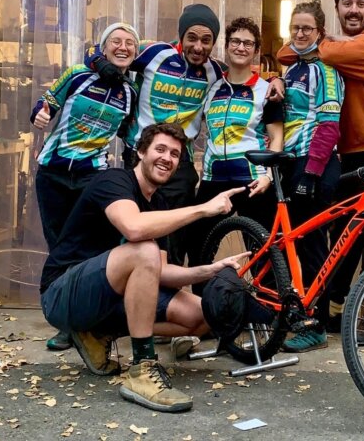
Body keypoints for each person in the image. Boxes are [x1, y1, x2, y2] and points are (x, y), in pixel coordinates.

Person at [39, 122, 249, 412]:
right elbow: (134, 229)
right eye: (160, 149)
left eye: (175, 154)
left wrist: (210, 270)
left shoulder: (157, 204)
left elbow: (159, 271)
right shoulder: (114, 181)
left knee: (201, 315)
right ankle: (142, 368)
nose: (167, 158)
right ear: (140, 151)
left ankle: (100, 333)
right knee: (144, 250)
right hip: (62, 295)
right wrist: (203, 209)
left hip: (111, 297)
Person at [274, 0, 364, 343]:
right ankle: (335, 307)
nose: (354, 9)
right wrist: (277, 76)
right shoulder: (332, 48)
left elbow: (301, 50)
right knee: (342, 235)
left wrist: (310, 40)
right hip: (344, 154)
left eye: (361, 3)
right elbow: (285, 53)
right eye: (347, 3)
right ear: (338, 7)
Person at [88, 4, 224, 267]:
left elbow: (244, 79)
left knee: (176, 233)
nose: (198, 47)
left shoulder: (215, 71)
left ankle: (167, 292)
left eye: (206, 41)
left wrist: (275, 81)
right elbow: (106, 52)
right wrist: (101, 65)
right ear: (181, 37)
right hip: (141, 154)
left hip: (178, 160)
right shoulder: (156, 53)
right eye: (192, 38)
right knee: (136, 229)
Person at [31, 22, 139, 352]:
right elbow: (45, 102)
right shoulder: (78, 74)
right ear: (103, 48)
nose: (123, 47)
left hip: (92, 177)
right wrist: (41, 113)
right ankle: (66, 323)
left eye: (130, 44)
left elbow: (130, 135)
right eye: (116, 42)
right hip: (53, 172)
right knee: (60, 247)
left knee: (87, 248)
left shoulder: (129, 93)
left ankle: (83, 319)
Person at [185, 17, 284, 283]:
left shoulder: (267, 91)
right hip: (213, 179)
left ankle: (267, 312)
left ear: (255, 51)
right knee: (199, 246)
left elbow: (276, 138)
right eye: (236, 42)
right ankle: (203, 308)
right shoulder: (212, 87)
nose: (241, 47)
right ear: (226, 47)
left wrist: (268, 176)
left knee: (264, 250)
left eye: (248, 43)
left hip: (253, 180)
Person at [277, 0, 344, 353]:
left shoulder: (326, 70)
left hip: (314, 164)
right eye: (295, 28)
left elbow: (329, 125)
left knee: (317, 248)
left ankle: (316, 325)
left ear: (320, 32)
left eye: (307, 28)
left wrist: (312, 171)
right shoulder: (293, 69)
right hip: (294, 162)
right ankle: (301, 316)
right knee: (299, 246)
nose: (300, 34)